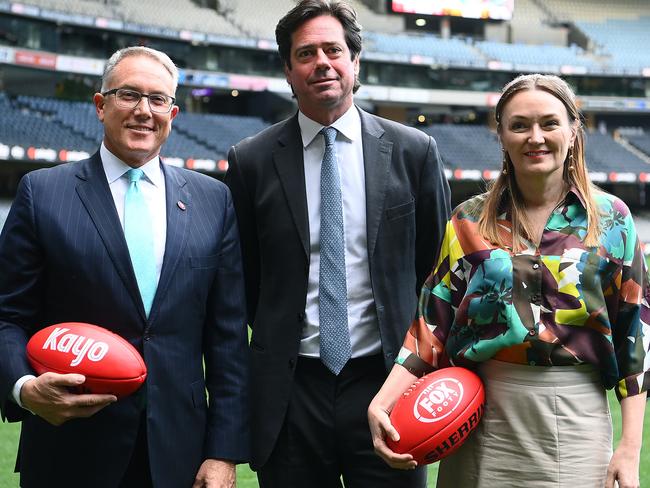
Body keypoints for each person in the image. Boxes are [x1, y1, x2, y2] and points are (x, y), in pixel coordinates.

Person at [368, 73, 649, 488]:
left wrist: (629, 447)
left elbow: (635, 338)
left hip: (575, 420)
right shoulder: (468, 220)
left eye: (549, 123)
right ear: (500, 135)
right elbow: (431, 325)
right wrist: (383, 401)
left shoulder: (613, 220)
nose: (535, 136)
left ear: (573, 130)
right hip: (478, 414)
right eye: (519, 125)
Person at [0, 46, 249, 488]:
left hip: (181, 455)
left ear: (173, 113)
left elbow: (228, 340)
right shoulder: (43, 193)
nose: (143, 111)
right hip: (69, 446)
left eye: (157, 99)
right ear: (100, 105)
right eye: (128, 95)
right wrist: (24, 387)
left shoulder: (214, 200)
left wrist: (223, 452)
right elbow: (7, 316)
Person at [224, 1, 450, 486]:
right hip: (291, 389)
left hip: (389, 382)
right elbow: (246, 276)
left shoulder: (414, 152)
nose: (321, 62)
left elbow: (436, 274)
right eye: (306, 53)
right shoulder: (250, 161)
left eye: (334, 49)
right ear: (288, 69)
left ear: (355, 62)